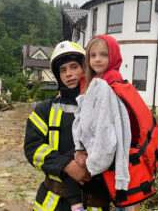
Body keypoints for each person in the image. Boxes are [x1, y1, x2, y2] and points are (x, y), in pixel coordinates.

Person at [24, 41, 111, 211]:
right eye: (63, 70)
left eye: (73, 67)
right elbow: (32, 148)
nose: (68, 74)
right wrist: (67, 166)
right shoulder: (45, 110)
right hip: (52, 202)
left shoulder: (103, 105)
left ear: (85, 69)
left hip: (96, 202)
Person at [73, 35, 140, 211]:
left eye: (104, 54)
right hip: (116, 154)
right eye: (93, 55)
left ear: (114, 56)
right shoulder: (97, 79)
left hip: (112, 153)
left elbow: (101, 122)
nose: (97, 59)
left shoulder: (108, 81)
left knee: (120, 201)